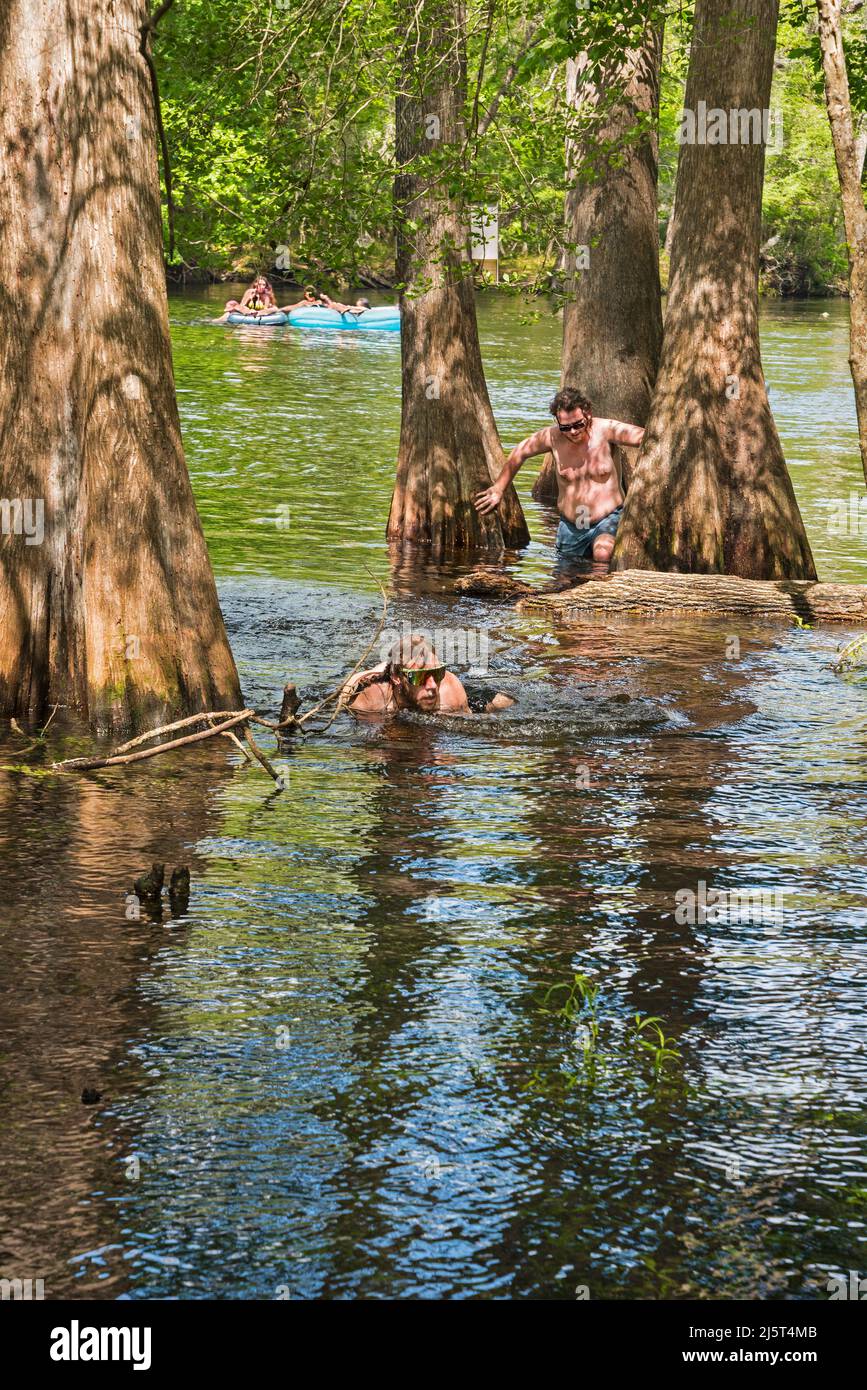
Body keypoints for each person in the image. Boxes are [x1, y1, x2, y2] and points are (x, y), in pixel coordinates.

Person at [474, 387, 645, 567]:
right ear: (557, 420)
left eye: (578, 424)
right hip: (571, 525)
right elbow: (520, 452)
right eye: (566, 427)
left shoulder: (607, 429)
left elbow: (648, 436)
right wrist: (498, 489)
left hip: (608, 518)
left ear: (588, 414)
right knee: (563, 580)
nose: (573, 431)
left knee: (602, 553)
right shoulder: (551, 437)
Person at [343, 634, 513, 716]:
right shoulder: (365, 696)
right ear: (397, 678)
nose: (432, 686)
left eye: (437, 673)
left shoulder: (450, 693)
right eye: (420, 676)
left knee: (501, 702)